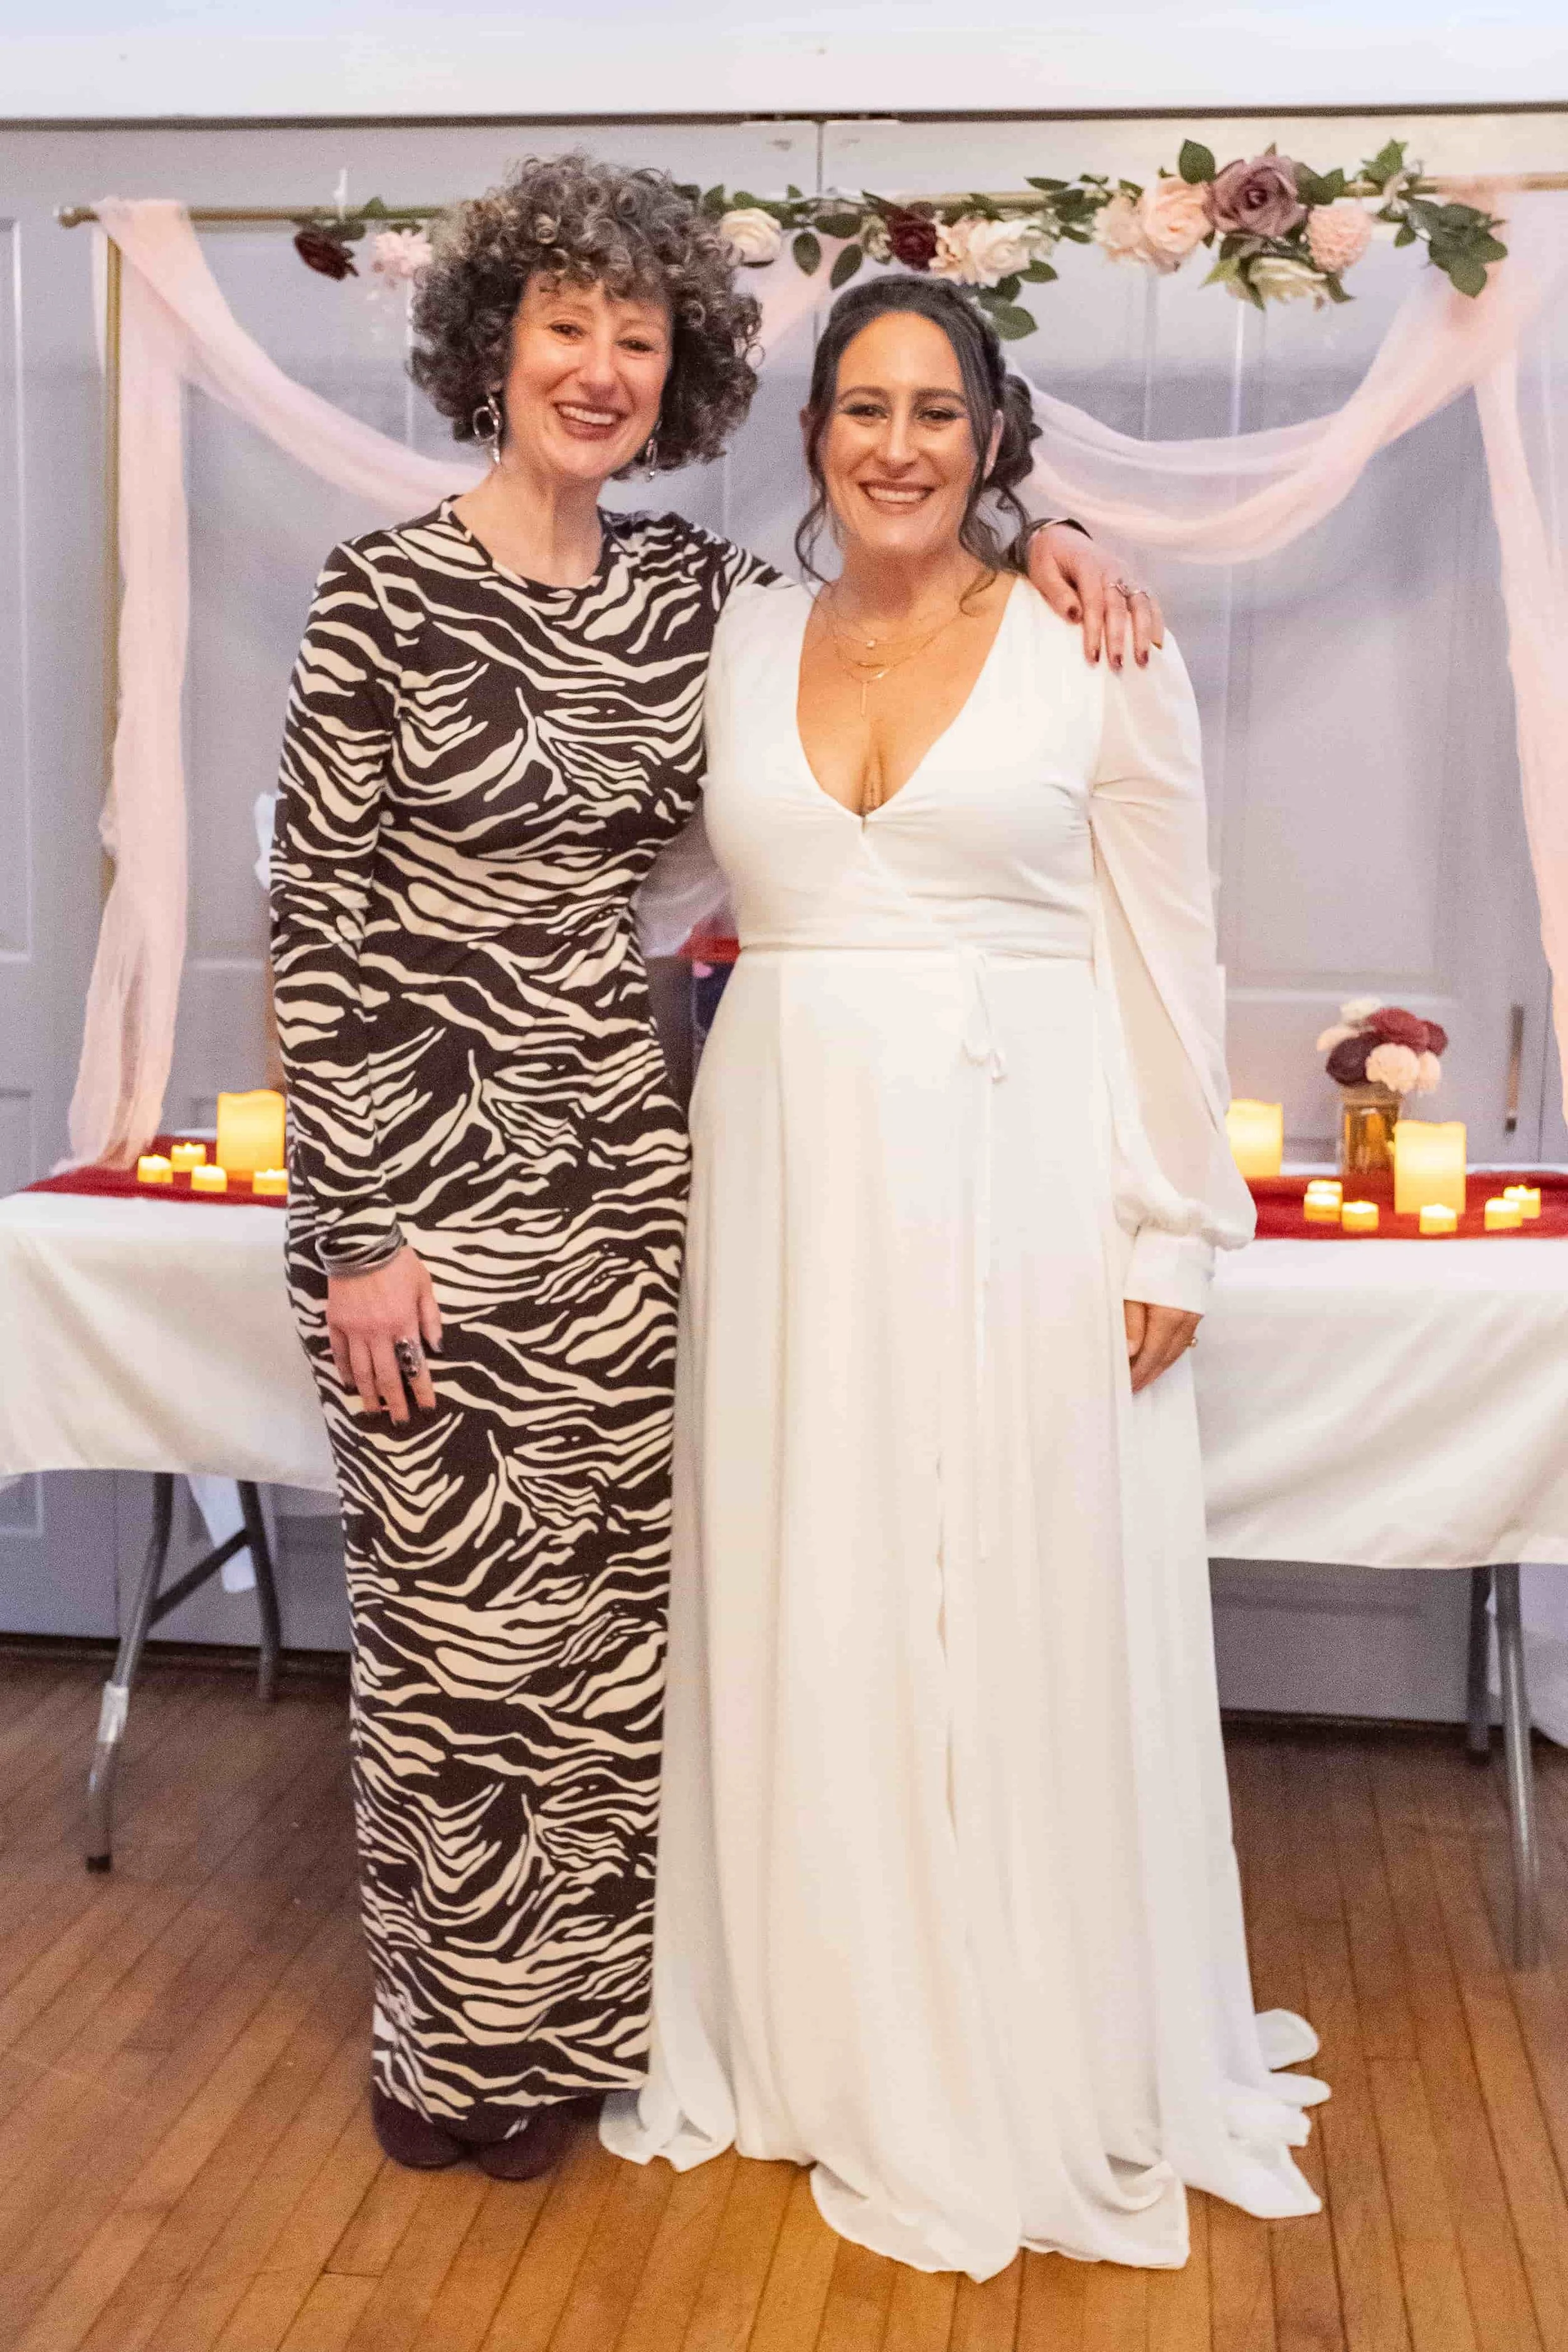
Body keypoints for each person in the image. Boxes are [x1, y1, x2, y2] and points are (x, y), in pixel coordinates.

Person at [270, 153, 1143, 2182]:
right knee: (451, 1637)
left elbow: (897, 584)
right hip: (427, 1190)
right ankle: (453, 2047)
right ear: (490, 346)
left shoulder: (693, 596)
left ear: (677, 375)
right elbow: (321, 924)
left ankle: (584, 2037)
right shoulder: (377, 594)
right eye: (563, 328)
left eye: (636, 339)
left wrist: (1055, 529)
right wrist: (357, 1232)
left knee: (612, 1639)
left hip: (639, 1181)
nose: (595, 367)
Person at [603, 275, 1328, 2274]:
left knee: (1002, 1585)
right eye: (860, 406)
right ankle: (818, 2028)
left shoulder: (1092, 643)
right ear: (816, 435)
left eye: (936, 408)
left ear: (996, 438)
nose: (896, 443)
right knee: (808, 1573)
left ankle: (1021, 2029)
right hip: (780, 1173)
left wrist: (1168, 1213)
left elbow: (1167, 947)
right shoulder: (737, 642)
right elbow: (647, 885)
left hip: (1018, 1170)